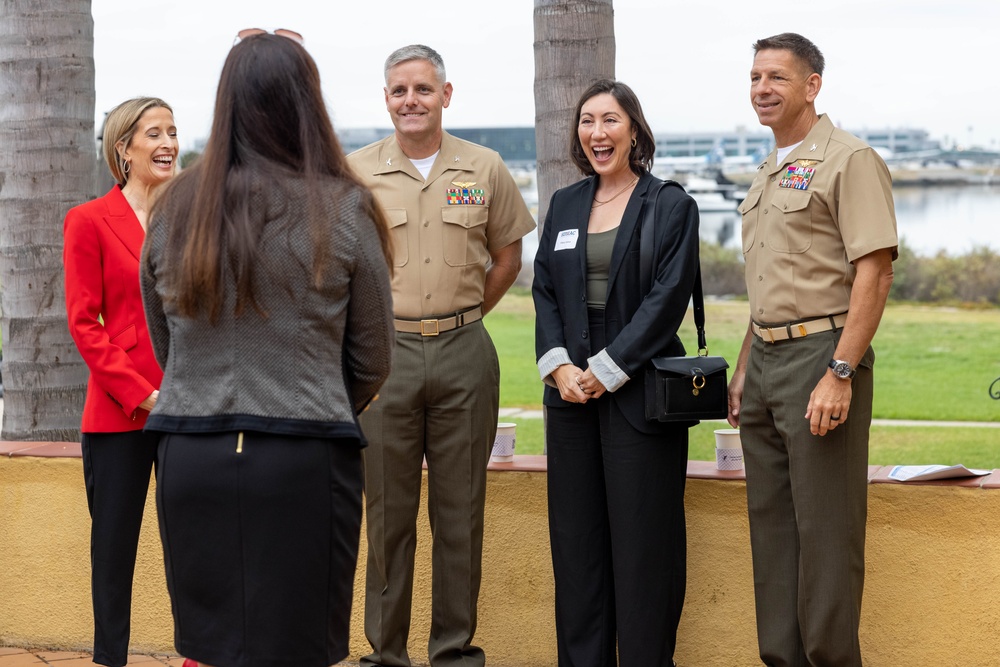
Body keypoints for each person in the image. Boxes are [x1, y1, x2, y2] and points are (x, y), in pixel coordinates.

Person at [139, 30, 394, 667]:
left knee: (211, 646)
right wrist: (315, 387)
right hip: (302, 455)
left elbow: (166, 343)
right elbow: (372, 358)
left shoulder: (173, 210)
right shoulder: (341, 209)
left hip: (190, 452)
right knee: (300, 646)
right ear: (307, 103)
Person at [347, 44, 535, 667]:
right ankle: (387, 654)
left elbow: (508, 256)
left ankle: (453, 652)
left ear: (445, 96)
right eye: (399, 91)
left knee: (460, 517)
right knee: (388, 518)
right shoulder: (357, 172)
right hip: (386, 359)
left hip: (463, 354)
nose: (411, 101)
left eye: (423, 90)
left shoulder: (484, 167)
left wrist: (464, 315)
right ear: (386, 99)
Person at [727, 33, 897, 666]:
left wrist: (841, 370)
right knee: (772, 539)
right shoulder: (770, 171)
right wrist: (746, 368)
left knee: (825, 539)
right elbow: (768, 283)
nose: (762, 89)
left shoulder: (849, 160)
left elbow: (874, 274)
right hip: (767, 362)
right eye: (754, 78)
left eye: (776, 77)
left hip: (821, 357)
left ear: (812, 85)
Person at [532, 79, 700, 667]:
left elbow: (667, 299)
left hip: (639, 388)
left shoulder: (671, 204)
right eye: (586, 121)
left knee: (643, 549)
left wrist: (607, 369)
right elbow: (545, 289)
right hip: (570, 393)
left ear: (634, 129)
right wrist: (558, 369)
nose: (596, 133)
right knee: (577, 551)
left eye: (609, 120)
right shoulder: (564, 204)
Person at [63, 96, 177, 667]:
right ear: (124, 148)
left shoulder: (190, 217)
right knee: (113, 553)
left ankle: (198, 655)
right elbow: (85, 324)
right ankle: (110, 659)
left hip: (190, 408)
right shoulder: (87, 220)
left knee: (192, 546)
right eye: (153, 132)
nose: (168, 143)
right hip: (120, 415)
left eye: (173, 131)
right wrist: (143, 394)